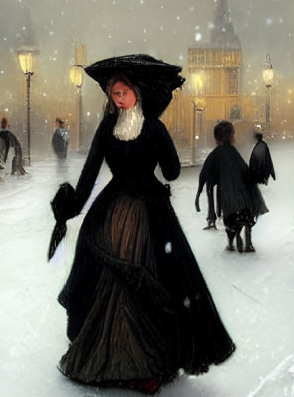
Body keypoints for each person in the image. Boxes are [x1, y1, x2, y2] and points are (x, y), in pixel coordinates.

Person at [48, 54, 234, 393]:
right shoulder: (116, 128)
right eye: (113, 94)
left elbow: (172, 171)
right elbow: (91, 173)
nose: (118, 99)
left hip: (145, 214)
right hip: (118, 212)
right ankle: (125, 361)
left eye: (123, 93)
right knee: (122, 286)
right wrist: (71, 206)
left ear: (136, 91)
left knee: (142, 284)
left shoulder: (152, 128)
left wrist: (163, 143)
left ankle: (140, 362)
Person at [196, 121, 268, 253]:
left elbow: (205, 173)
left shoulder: (216, 154)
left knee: (231, 218)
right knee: (246, 216)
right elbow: (244, 169)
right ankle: (248, 243)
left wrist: (201, 190)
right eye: (232, 134)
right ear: (230, 136)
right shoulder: (232, 153)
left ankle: (231, 243)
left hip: (228, 194)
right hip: (242, 192)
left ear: (217, 139)